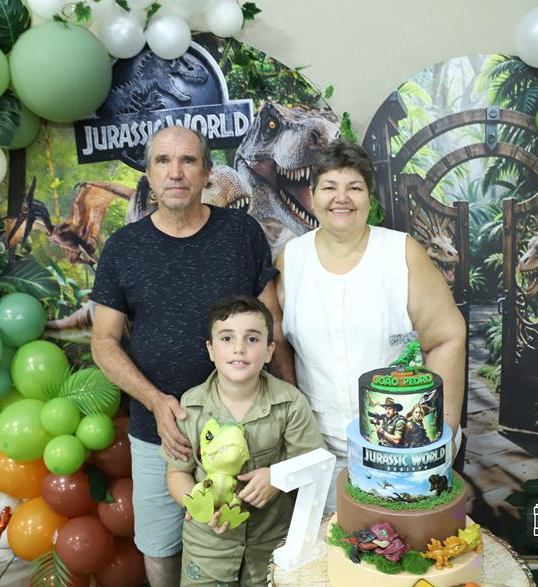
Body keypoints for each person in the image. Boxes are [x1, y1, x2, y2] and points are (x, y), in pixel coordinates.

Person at [90, 126, 292, 587]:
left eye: (188, 161)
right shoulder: (123, 248)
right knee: (161, 549)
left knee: (257, 544)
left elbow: (273, 326)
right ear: (149, 173)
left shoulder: (241, 233)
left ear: (206, 172)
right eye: (163, 161)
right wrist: (157, 402)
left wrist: (287, 403)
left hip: (249, 427)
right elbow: (103, 342)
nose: (175, 172)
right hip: (161, 432)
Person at [275, 140, 466, 512]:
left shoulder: (401, 253)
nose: (341, 198)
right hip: (319, 452)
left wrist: (441, 432)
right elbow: (279, 344)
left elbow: (446, 337)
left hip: (402, 456)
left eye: (354, 187)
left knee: (402, 544)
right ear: (312, 196)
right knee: (333, 545)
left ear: (369, 197)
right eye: (329, 187)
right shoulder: (291, 259)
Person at [163, 295, 324, 586]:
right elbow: (177, 473)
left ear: (269, 351)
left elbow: (315, 464)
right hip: (207, 551)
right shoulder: (191, 405)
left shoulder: (289, 403)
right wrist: (196, 503)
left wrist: (276, 477)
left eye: (252, 339)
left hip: (270, 547)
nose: (239, 348)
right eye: (227, 338)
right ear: (211, 350)